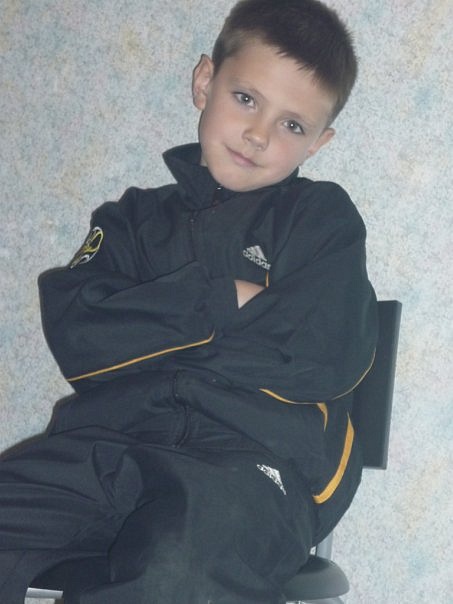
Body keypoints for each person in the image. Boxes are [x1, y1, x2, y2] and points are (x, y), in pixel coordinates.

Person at [0, 0, 377, 602]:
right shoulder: (130, 221)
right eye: (246, 98)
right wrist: (224, 301)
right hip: (109, 443)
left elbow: (322, 348)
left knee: (177, 568)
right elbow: (79, 332)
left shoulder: (320, 220)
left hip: (252, 465)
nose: (259, 135)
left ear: (318, 143)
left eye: (292, 125)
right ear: (206, 82)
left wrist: (151, 329)